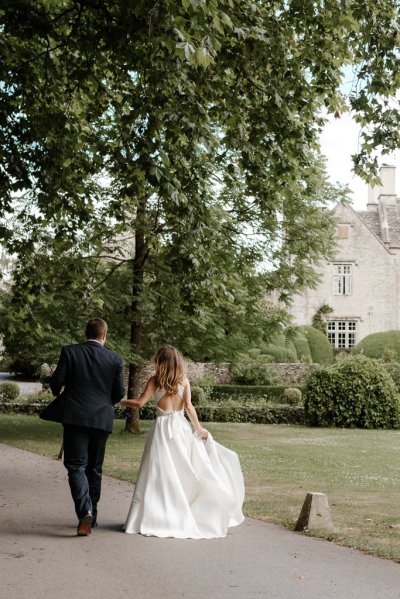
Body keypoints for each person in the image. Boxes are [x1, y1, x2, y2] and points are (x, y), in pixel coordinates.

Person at [120, 345, 245, 539]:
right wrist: (198, 428)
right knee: (182, 470)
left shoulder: (154, 381)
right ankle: (182, 512)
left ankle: (156, 516)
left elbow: (139, 403)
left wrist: (119, 401)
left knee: (158, 472)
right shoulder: (184, 381)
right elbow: (188, 406)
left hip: (161, 430)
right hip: (180, 428)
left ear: (160, 362)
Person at [49, 318, 125, 536]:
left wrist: (59, 395)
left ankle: (85, 511)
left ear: (86, 332)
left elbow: (57, 382)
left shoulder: (70, 352)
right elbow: (119, 393)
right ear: (104, 335)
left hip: (75, 417)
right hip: (102, 419)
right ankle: (93, 516)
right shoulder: (115, 359)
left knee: (75, 465)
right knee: (94, 468)